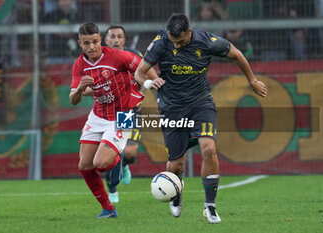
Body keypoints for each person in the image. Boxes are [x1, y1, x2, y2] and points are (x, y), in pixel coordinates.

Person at [134, 13, 267, 223]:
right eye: (173, 41)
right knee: (176, 165)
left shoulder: (207, 41)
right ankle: (176, 192)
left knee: (208, 148)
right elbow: (140, 73)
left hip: (200, 104)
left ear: (189, 32)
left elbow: (238, 55)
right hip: (171, 108)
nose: (175, 46)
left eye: (180, 41)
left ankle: (210, 207)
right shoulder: (161, 42)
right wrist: (151, 84)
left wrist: (252, 81)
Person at [69, 22, 156, 218]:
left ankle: (118, 162)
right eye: (86, 43)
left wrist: (151, 83)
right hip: (98, 116)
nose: (91, 47)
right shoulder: (79, 65)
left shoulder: (119, 57)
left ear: (100, 40)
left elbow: (145, 68)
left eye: (94, 42)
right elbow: (73, 100)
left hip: (123, 114)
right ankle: (108, 208)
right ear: (80, 44)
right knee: (84, 165)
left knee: (102, 163)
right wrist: (80, 89)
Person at [103, 25, 144, 204]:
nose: (116, 40)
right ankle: (112, 190)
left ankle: (125, 164)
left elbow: (144, 74)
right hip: (107, 113)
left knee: (130, 152)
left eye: (120, 36)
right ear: (106, 40)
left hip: (127, 111)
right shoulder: (99, 59)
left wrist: (139, 93)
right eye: (112, 36)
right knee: (109, 153)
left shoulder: (134, 55)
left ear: (124, 40)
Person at [43, 0, 80, 64]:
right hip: (56, 50)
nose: (65, 3)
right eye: (62, 1)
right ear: (58, 2)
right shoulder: (51, 16)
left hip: (72, 50)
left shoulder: (76, 16)